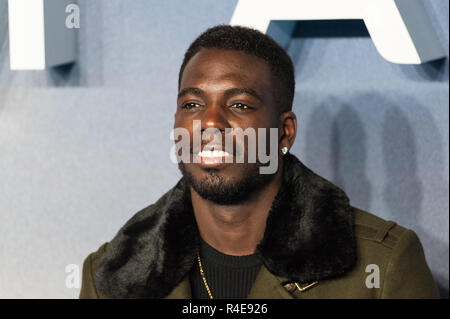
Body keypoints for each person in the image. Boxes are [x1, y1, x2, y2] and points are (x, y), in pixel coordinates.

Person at [79, 25, 439, 299]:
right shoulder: (112, 275)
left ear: (284, 133)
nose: (210, 122)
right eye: (192, 104)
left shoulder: (382, 267)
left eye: (239, 105)